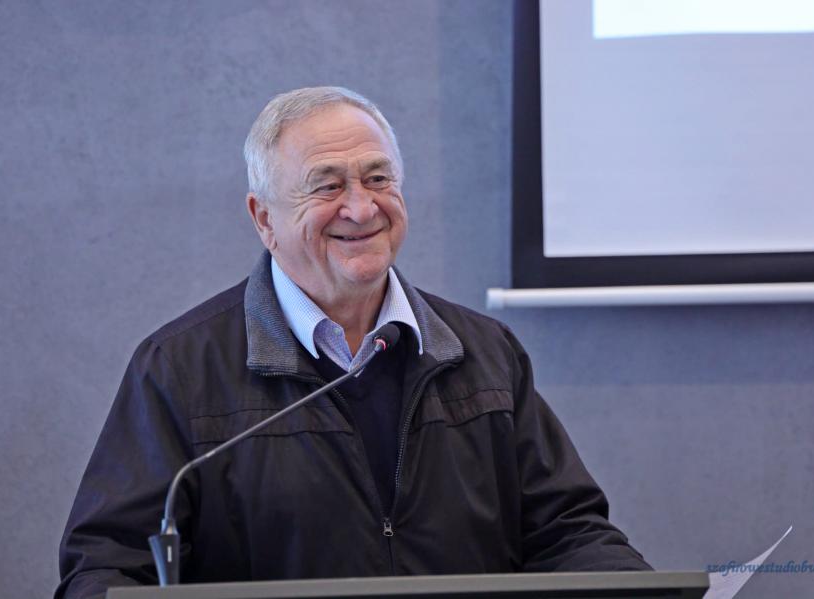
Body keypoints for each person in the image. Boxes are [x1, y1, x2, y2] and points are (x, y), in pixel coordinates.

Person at [56, 87, 650, 599]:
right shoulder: (180, 369)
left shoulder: (486, 353)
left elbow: (570, 533)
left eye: (378, 179)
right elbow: (107, 568)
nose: (362, 208)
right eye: (327, 186)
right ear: (264, 219)